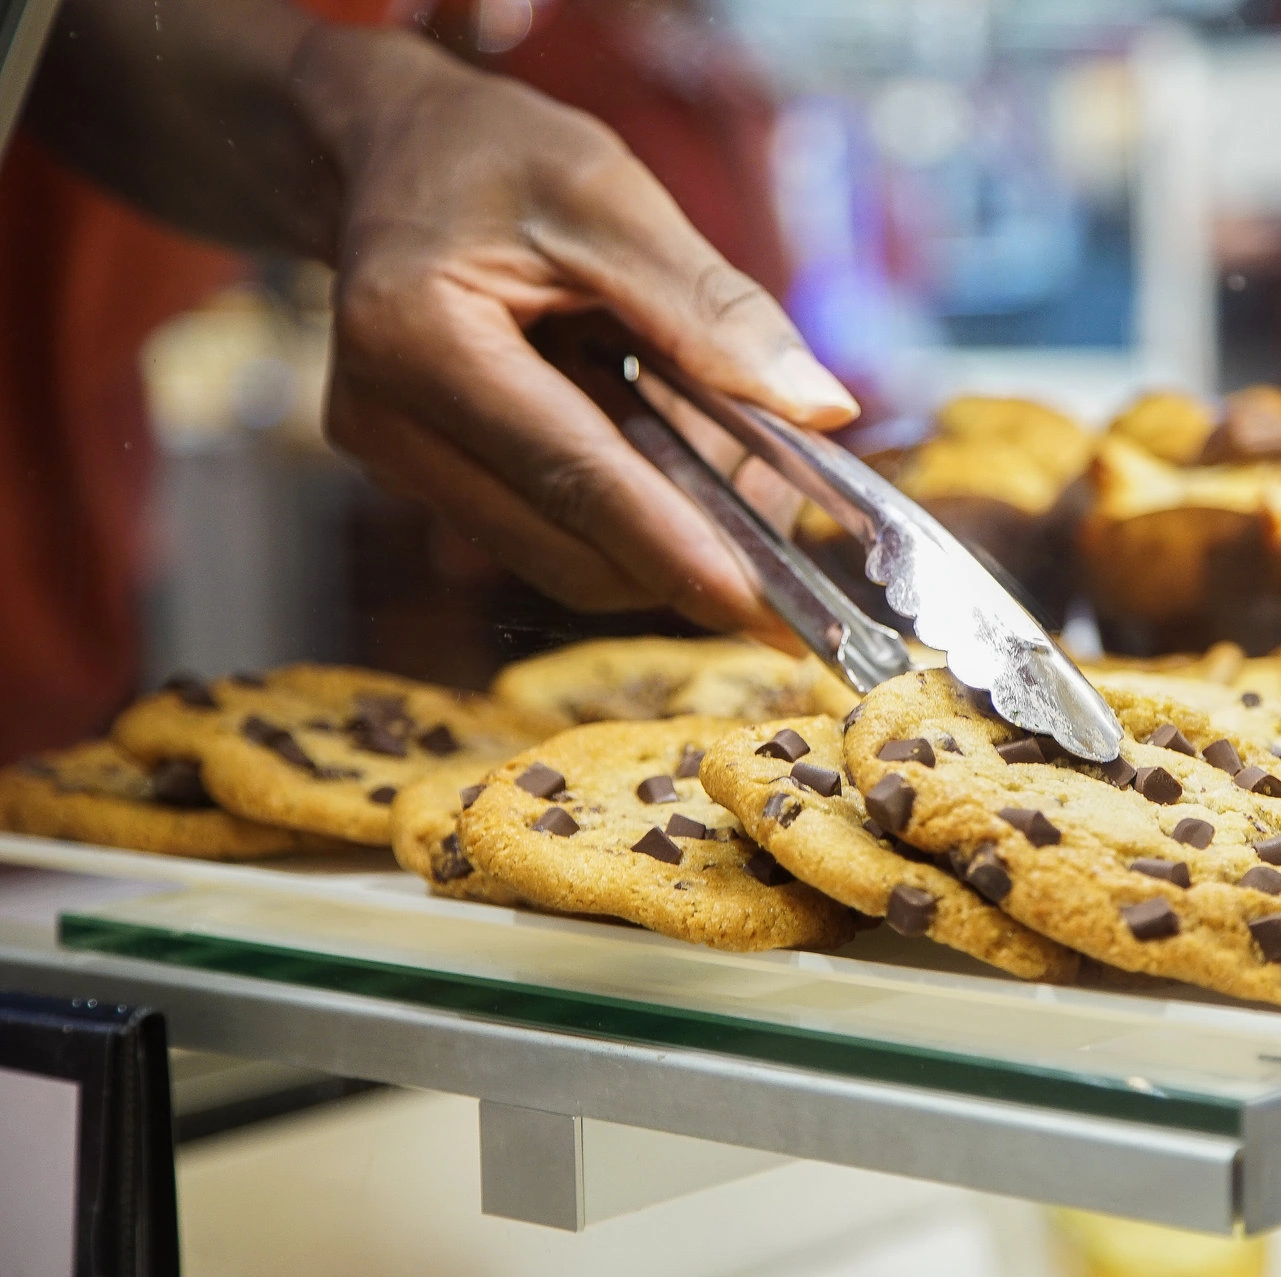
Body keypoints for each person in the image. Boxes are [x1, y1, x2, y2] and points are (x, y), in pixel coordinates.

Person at [3, 0, 855, 762]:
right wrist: (368, 116)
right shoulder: (581, 52)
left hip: (61, 564)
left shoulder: (721, 80)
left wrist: (371, 126)